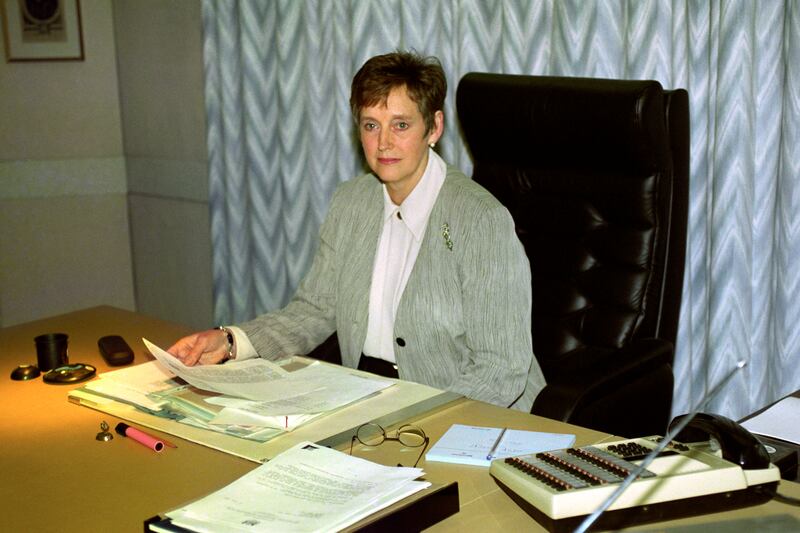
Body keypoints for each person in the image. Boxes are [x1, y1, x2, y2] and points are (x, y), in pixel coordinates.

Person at [169, 51, 546, 411]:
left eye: (401, 125)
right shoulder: (351, 202)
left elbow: (501, 369)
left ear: (434, 127)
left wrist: (416, 419)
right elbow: (315, 310)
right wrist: (231, 340)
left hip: (469, 414)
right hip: (370, 399)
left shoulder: (481, 220)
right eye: (371, 125)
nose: (384, 142)